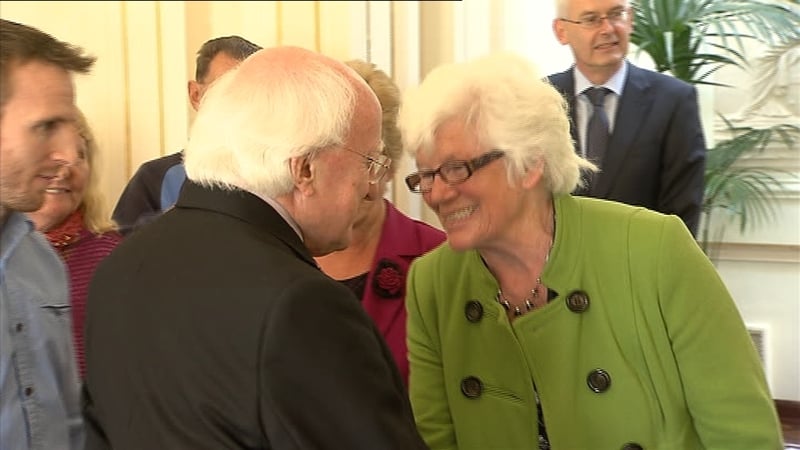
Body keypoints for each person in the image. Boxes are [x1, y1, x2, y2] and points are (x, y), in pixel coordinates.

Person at [398, 52, 781, 449]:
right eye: (425, 175)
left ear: (530, 164)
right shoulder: (432, 284)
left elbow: (744, 437)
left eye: (456, 168)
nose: (437, 194)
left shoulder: (655, 250)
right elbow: (435, 441)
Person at [82, 46, 428, 449]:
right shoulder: (302, 305)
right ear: (305, 170)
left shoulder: (120, 267)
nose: (372, 186)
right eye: (368, 162)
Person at [315, 59, 446, 385]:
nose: (364, 186)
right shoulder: (276, 256)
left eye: (374, 165)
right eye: (342, 167)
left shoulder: (437, 257)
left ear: (392, 165)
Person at [0, 18, 95, 450]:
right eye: (44, 127)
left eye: (69, 126)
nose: (67, 154)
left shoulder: (39, 261)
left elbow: (70, 422)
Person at [548, 0, 706, 236]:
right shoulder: (540, 100)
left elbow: (681, 214)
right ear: (562, 31)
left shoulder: (674, 100)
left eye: (616, 14)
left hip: (642, 267)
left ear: (630, 20)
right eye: (591, 19)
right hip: (556, 268)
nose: (608, 29)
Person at [111, 35, 261, 234]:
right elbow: (125, 255)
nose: (239, 105)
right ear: (195, 95)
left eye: (252, 93)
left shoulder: (285, 176)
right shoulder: (154, 179)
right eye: (224, 90)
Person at [27, 110, 122, 379]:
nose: (65, 169)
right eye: (49, 152)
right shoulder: (10, 252)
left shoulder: (110, 256)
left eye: (80, 154)